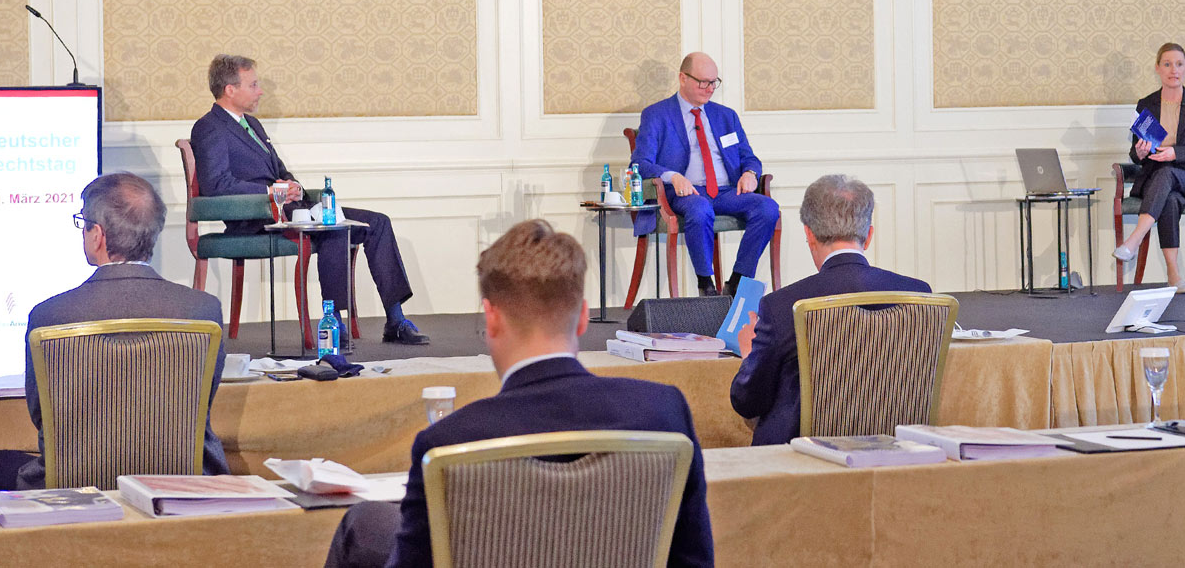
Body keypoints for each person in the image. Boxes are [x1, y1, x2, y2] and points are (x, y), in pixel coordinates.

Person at [324, 219, 713, 568]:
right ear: (582, 316)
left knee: (364, 525)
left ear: (491, 318)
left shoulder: (449, 444)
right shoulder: (664, 413)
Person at [0, 173, 228, 492]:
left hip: (71, 483)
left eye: (84, 225)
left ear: (98, 235)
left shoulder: (50, 315)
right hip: (183, 481)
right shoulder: (203, 310)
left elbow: (42, 415)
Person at [189, 54, 428, 345]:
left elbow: (279, 171)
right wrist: (272, 192)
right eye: (253, 85)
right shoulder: (209, 127)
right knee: (333, 228)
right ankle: (333, 324)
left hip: (291, 209)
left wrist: (293, 186)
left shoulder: (252, 124)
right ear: (230, 89)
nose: (260, 91)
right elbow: (216, 185)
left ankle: (396, 320)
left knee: (377, 223)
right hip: (255, 217)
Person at [730, 174, 930, 446]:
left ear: (809, 234)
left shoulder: (781, 306)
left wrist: (748, 353)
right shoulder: (919, 295)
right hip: (893, 452)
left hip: (799, 459)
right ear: (869, 236)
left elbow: (749, 402)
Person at [631, 52, 780, 297]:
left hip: (726, 191)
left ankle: (737, 282)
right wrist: (672, 176)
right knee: (700, 209)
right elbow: (640, 163)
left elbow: (749, 157)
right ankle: (706, 285)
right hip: (687, 192)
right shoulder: (657, 114)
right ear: (683, 78)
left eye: (714, 82)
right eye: (703, 82)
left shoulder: (726, 116)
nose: (710, 88)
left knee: (768, 208)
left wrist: (750, 173)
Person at [1112, 42, 1185, 292]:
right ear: (1157, 68)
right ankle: (1173, 274)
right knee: (1169, 198)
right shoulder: (1146, 104)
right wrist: (1139, 152)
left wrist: (1175, 153)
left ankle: (1135, 239)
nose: (1174, 70)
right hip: (1155, 177)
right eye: (1167, 64)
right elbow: (1136, 153)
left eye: (1179, 64)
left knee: (1168, 173)